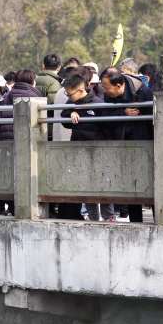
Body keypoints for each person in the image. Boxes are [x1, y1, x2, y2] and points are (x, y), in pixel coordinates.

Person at [98, 67, 154, 223]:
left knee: (150, 183)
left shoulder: (141, 92)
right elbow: (105, 114)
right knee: (130, 184)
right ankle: (135, 222)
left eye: (107, 87)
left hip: (144, 145)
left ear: (119, 85)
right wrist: (123, 112)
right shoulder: (109, 95)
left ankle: (159, 219)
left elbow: (154, 117)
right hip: (122, 144)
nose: (105, 91)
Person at [0, 69, 43, 215]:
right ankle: (25, 209)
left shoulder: (7, 97)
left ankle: (7, 207)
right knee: (27, 177)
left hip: (6, 145)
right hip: (30, 146)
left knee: (8, 176)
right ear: (32, 81)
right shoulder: (37, 97)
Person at [59, 73, 113, 222]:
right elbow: (64, 119)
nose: (68, 97)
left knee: (102, 183)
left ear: (81, 90)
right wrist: (71, 112)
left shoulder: (97, 103)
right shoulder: (72, 103)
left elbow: (108, 128)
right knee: (85, 183)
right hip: (78, 149)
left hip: (98, 150)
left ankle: (109, 216)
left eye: (69, 93)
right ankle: (93, 217)